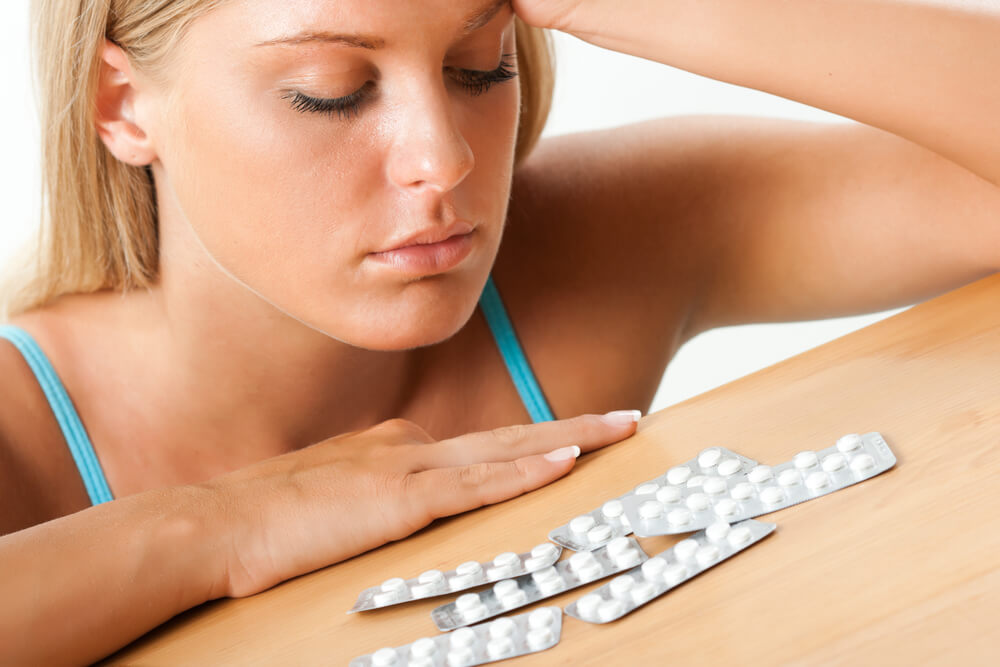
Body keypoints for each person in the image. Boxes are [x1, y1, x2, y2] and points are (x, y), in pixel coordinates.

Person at [1, 0, 997, 662]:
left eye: (480, 67)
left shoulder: (599, 246)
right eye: (330, 91)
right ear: (122, 104)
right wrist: (216, 526)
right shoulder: (23, 425)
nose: (443, 159)